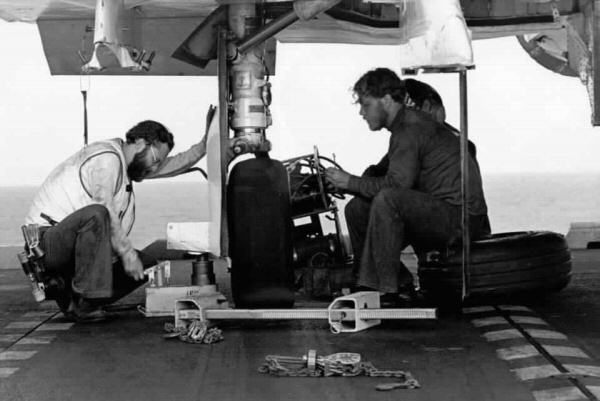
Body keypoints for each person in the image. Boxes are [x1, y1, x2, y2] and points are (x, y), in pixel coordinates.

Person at [325, 68, 490, 305]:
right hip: (442, 214)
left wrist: (350, 181)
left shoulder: (410, 128)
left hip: (462, 219)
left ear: (387, 100)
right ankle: (389, 283)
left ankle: (384, 290)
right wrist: (350, 186)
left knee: (388, 199)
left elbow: (396, 186)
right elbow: (385, 177)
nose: (362, 112)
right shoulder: (405, 127)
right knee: (357, 209)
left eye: (366, 104)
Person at [24, 119, 213, 322]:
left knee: (145, 265)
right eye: (156, 159)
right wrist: (126, 252)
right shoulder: (107, 159)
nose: (155, 168)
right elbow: (103, 207)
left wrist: (205, 145)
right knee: (97, 214)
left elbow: (174, 164)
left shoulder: (127, 166)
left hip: (75, 247)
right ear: (140, 143)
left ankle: (72, 295)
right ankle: (85, 301)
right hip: (46, 244)